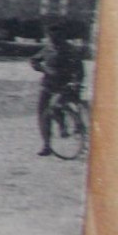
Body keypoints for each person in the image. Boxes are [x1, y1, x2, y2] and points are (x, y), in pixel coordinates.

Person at [32, 25, 83, 156]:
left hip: (64, 86)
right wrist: (42, 68)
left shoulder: (71, 50)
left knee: (55, 107)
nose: (54, 39)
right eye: (51, 36)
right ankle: (47, 145)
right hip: (47, 85)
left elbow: (79, 70)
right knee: (43, 115)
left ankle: (64, 126)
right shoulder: (48, 48)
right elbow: (34, 60)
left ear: (62, 36)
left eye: (57, 36)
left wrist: (76, 83)